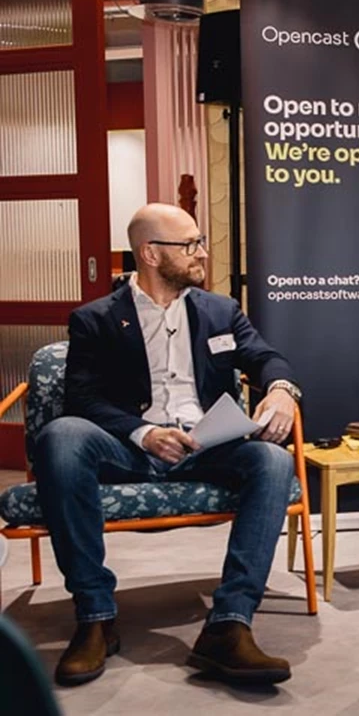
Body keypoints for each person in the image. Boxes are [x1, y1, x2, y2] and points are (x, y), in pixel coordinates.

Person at [33, 203, 303, 687]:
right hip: (131, 447)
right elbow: (83, 398)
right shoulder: (95, 319)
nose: (202, 252)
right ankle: (95, 616)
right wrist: (145, 433)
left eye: (200, 241)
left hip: (207, 445)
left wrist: (282, 389)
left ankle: (229, 623)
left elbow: (266, 357)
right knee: (62, 435)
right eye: (191, 244)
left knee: (271, 458)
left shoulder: (220, 310)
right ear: (151, 254)